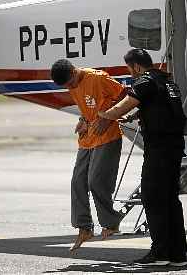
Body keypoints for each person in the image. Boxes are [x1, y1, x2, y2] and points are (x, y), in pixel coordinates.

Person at [98, 49, 187, 267]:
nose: (130, 74)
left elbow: (122, 105)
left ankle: (159, 254)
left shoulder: (144, 81)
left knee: (153, 198)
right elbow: (158, 105)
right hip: (175, 146)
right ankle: (177, 255)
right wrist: (136, 115)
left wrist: (101, 116)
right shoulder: (166, 81)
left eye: (130, 70)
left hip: (158, 148)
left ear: (136, 67)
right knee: (170, 200)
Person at [50, 59, 125, 252]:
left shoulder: (97, 78)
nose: (70, 88)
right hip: (88, 136)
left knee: (96, 181)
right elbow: (87, 105)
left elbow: (124, 95)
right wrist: (83, 118)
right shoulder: (72, 83)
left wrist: (108, 118)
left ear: (75, 72)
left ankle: (111, 222)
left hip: (107, 135)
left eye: (70, 84)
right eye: (67, 87)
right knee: (77, 181)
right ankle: (84, 227)